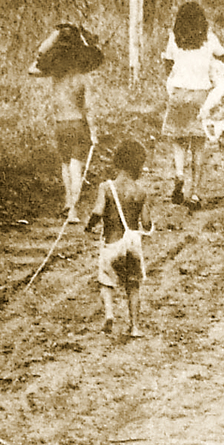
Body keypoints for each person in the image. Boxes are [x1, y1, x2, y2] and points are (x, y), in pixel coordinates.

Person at [28, 25, 99, 224]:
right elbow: (88, 108)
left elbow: (32, 69)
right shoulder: (82, 78)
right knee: (76, 167)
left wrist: (53, 40)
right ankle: (73, 211)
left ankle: (68, 202)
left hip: (60, 125)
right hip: (77, 124)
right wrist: (94, 132)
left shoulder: (55, 74)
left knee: (66, 166)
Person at [161, 2, 224, 211]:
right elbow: (222, 55)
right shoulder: (209, 38)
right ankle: (196, 193)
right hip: (202, 95)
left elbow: (168, 64)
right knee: (199, 145)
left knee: (179, 141)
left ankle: (179, 175)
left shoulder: (174, 38)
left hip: (179, 93)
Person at [85, 140, 152, 337]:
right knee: (133, 285)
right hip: (132, 244)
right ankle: (135, 326)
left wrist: (89, 226)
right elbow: (146, 223)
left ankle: (109, 314)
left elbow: (98, 211)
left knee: (106, 280)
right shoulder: (141, 192)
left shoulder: (107, 187)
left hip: (112, 242)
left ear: (118, 161)